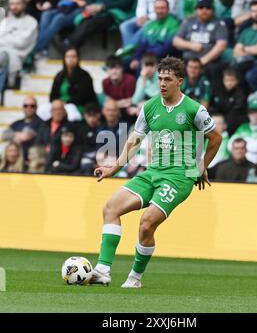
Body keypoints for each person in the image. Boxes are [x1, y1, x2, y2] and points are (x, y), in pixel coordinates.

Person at [91, 56, 222, 288]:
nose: (162, 83)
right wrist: (114, 167)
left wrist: (202, 165)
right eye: (160, 78)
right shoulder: (150, 107)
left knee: (146, 223)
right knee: (110, 208)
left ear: (179, 81)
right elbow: (135, 140)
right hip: (152, 173)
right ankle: (102, 270)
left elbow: (215, 138)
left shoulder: (194, 109)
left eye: (167, 79)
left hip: (179, 177)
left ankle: (135, 278)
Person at [173, 0, 228, 89]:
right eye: (201, 7)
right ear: (196, 9)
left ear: (213, 9)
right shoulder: (188, 22)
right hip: (188, 60)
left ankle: (212, 100)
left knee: (213, 69)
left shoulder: (219, 24)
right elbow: (176, 41)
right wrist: (190, 45)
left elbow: (221, 45)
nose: (204, 10)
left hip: (208, 61)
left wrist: (203, 61)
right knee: (173, 67)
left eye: (208, 7)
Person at [65, 0, 136, 49]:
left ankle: (69, 44)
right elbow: (89, 0)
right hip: (94, 12)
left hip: (113, 13)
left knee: (94, 22)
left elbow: (124, 3)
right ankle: (71, 47)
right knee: (84, 21)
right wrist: (90, 7)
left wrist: (102, 7)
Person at [0, 0, 38, 93]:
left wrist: (5, 40)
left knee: (2, 56)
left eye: (18, 3)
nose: (14, 7)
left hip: (18, 55)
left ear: (24, 5)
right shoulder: (5, 21)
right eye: (12, 4)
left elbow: (21, 43)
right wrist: (10, 39)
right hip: (3, 52)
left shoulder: (31, 22)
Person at [129, 0, 180, 71]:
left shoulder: (174, 23)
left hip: (164, 58)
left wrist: (149, 56)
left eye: (162, 8)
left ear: (168, 9)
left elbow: (168, 46)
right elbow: (142, 45)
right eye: (157, 8)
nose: (159, 11)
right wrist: (136, 58)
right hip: (148, 57)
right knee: (128, 62)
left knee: (144, 65)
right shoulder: (150, 25)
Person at [50, 48, 97, 119]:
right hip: (59, 105)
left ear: (78, 58)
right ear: (64, 58)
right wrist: (57, 103)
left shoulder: (84, 75)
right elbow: (52, 95)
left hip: (77, 105)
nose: (70, 59)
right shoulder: (59, 75)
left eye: (73, 56)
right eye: (68, 56)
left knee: (70, 110)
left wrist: (66, 103)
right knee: (44, 109)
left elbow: (83, 96)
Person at [228, 99, 257, 163]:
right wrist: (251, 142)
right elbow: (230, 145)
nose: (255, 115)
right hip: (240, 162)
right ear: (248, 114)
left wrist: (242, 142)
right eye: (252, 112)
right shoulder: (243, 127)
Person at [1, 96, 43, 161]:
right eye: (26, 106)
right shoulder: (17, 123)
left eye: (32, 106)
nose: (28, 108)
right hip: (16, 159)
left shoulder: (41, 123)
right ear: (23, 107)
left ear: (36, 107)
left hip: (31, 160)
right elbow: (4, 135)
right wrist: (17, 135)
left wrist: (14, 135)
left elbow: (26, 136)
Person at [211, 68, 247, 135]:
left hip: (233, 120)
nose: (229, 83)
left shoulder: (240, 93)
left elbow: (237, 109)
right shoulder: (220, 91)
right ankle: (198, 144)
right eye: (226, 80)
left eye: (232, 80)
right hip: (221, 118)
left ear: (237, 81)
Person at [102, 55, 136, 123]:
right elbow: (108, 102)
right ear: (107, 70)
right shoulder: (105, 82)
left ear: (122, 69)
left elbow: (130, 102)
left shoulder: (130, 80)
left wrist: (114, 104)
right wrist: (117, 104)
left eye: (117, 68)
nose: (114, 71)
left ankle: (123, 133)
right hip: (114, 111)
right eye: (111, 68)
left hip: (127, 112)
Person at [78, 103, 102, 175]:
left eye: (94, 115)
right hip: (87, 158)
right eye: (89, 116)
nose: (91, 119)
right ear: (85, 115)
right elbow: (80, 148)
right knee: (86, 165)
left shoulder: (103, 128)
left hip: (103, 158)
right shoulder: (82, 129)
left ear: (99, 115)